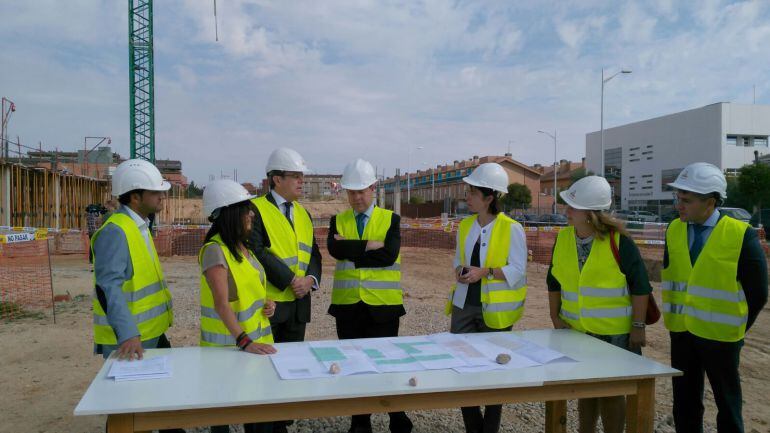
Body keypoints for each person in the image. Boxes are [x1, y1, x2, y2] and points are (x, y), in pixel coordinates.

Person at [662, 162, 767, 433]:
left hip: (722, 337)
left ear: (710, 202)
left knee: (727, 403)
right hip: (682, 332)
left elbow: (758, 293)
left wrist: (737, 326)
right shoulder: (673, 229)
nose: (679, 205)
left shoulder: (739, 234)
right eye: (678, 198)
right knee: (684, 402)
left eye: (686, 200)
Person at [546, 175, 651, 433]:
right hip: (577, 332)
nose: (566, 211)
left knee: (612, 395)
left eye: (572, 207)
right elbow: (553, 281)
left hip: (614, 336)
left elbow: (641, 287)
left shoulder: (619, 243)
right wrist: (555, 318)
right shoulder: (563, 239)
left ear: (590, 214)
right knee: (586, 392)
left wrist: (638, 326)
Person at [90, 159, 182, 433]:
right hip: (130, 341)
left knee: (162, 401)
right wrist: (128, 334)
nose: (162, 197)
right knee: (127, 411)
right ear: (134, 196)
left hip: (151, 333)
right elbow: (108, 287)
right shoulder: (116, 231)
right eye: (155, 192)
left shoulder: (138, 226)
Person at [327, 158, 413, 433]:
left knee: (386, 365)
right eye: (351, 192)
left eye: (361, 191)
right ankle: (360, 423)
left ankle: (396, 416)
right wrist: (369, 245)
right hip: (348, 307)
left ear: (373, 188)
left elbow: (389, 255)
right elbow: (335, 250)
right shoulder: (337, 220)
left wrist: (353, 250)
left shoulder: (391, 219)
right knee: (353, 367)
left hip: (383, 307)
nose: (356, 197)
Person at [445, 162, 527, 433]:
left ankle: (489, 429)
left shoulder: (512, 228)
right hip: (464, 306)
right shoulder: (465, 226)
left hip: (496, 312)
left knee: (495, 374)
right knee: (463, 369)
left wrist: (486, 272)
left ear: (489, 198)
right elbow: (458, 260)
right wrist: (460, 270)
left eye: (472, 193)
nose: (466, 197)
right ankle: (474, 427)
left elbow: (518, 271)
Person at [249, 147, 322, 433]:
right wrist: (291, 279)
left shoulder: (303, 214)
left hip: (298, 306)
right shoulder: (255, 209)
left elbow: (313, 253)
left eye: (302, 176)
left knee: (291, 368)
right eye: (296, 176)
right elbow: (256, 250)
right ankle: (262, 424)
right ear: (276, 179)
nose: (301, 181)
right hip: (269, 307)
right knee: (263, 372)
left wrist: (310, 280)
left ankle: (280, 419)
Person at [200, 179, 276, 433]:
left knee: (257, 412)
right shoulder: (215, 251)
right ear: (231, 213)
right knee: (222, 413)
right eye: (246, 208)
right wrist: (245, 342)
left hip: (256, 342)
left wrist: (268, 304)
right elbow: (221, 304)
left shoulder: (243, 248)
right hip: (228, 348)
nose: (252, 213)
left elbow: (248, 291)